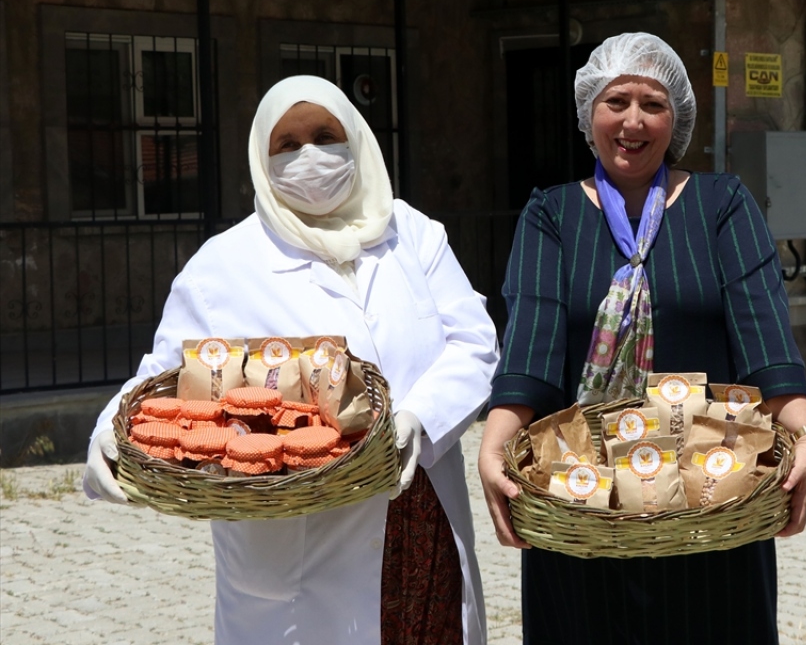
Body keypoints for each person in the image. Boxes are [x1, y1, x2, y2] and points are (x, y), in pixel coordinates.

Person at [82, 75, 499, 645]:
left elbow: (472, 341)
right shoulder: (221, 268)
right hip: (297, 563)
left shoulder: (414, 237)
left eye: (326, 135)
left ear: (355, 139)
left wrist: (417, 419)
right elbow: (163, 381)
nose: (310, 155)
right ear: (262, 157)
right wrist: (110, 430)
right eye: (288, 144)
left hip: (420, 515)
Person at [476, 32, 806, 644]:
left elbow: (765, 340)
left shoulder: (721, 206)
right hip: (585, 503)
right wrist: (493, 447)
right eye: (616, 101)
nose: (633, 121)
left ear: (676, 118)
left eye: (653, 104)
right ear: (590, 113)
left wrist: (805, 431)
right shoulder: (551, 215)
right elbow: (531, 340)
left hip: (710, 498)